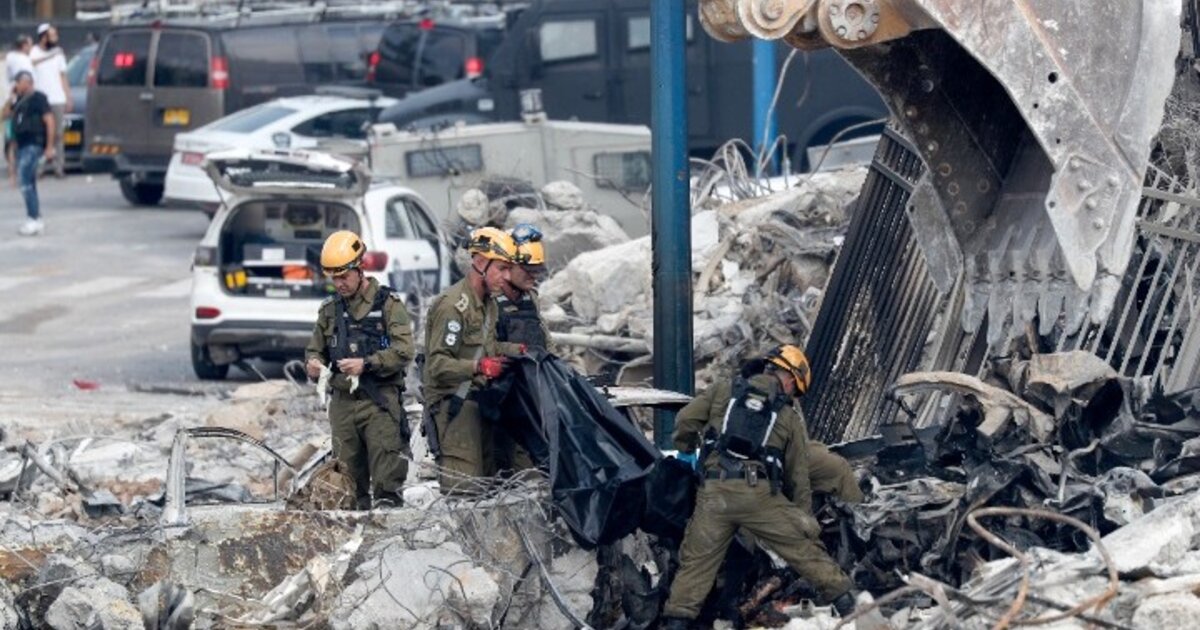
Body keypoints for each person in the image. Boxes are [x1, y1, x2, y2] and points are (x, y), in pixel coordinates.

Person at [661, 345, 856, 628]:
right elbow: (798, 476)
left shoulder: (723, 390)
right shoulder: (787, 416)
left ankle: (677, 622)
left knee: (695, 568)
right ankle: (854, 609)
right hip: (757, 496)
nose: (793, 394)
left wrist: (686, 447)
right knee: (804, 552)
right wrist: (803, 520)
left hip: (714, 494)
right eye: (795, 389)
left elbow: (685, 420)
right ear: (789, 378)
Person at [305, 230, 415, 509]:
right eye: (334, 278)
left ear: (360, 268)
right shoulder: (329, 310)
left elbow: (404, 351)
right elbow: (315, 349)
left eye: (344, 276)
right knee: (348, 486)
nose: (339, 284)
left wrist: (366, 364)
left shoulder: (388, 304)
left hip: (379, 402)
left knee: (387, 483)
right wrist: (314, 365)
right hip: (343, 405)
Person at [421, 227, 518, 495]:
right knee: (465, 494)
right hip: (455, 409)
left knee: (490, 491)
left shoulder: (489, 304)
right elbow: (437, 365)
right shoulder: (453, 306)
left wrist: (517, 350)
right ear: (480, 262)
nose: (507, 277)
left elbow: (486, 346)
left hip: (480, 406)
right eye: (501, 268)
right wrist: (478, 367)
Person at [3, 71, 53, 236]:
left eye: (18, 83)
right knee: (29, 183)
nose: (16, 86)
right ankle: (36, 218)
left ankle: (32, 218)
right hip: (22, 145)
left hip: (33, 144)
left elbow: (49, 121)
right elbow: (4, 115)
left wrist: (49, 146)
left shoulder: (39, 98)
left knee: (25, 182)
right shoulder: (18, 101)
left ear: (26, 83)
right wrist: (11, 98)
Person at [30, 24, 69, 179]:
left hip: (57, 98)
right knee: (41, 134)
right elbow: (32, 63)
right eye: (51, 35)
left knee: (58, 134)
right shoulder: (35, 51)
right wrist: (51, 55)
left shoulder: (59, 54)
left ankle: (59, 167)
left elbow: (63, 76)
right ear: (44, 37)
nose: (55, 38)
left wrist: (67, 96)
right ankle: (40, 168)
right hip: (41, 98)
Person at [4, 36, 33, 185]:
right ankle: (14, 174)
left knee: (13, 145)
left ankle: (14, 174)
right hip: (16, 119)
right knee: (14, 144)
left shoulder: (10, 57)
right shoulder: (23, 60)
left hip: (15, 117)